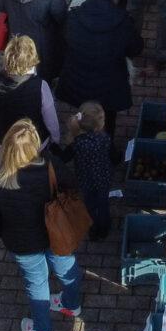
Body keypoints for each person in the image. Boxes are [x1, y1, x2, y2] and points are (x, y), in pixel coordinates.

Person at [0, 121, 82, 331]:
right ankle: (71, 304)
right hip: (56, 233)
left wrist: (4, 233)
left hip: (23, 244)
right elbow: (72, 186)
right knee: (67, 268)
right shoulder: (51, 166)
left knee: (37, 283)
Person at [59, 0, 141, 137]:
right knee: (109, 117)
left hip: (78, 83)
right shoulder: (123, 21)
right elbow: (136, 48)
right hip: (110, 87)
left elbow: (64, 43)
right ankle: (107, 145)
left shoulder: (74, 16)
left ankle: (82, 142)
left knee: (85, 115)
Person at [0, 34, 59, 144]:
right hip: (34, 142)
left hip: (6, 140)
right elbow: (51, 121)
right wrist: (55, 139)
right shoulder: (40, 86)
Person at [62, 102, 116, 241]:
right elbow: (114, 155)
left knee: (89, 203)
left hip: (85, 179)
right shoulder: (104, 138)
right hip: (103, 177)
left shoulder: (77, 143)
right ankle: (104, 227)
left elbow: (64, 158)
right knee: (103, 203)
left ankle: (93, 226)